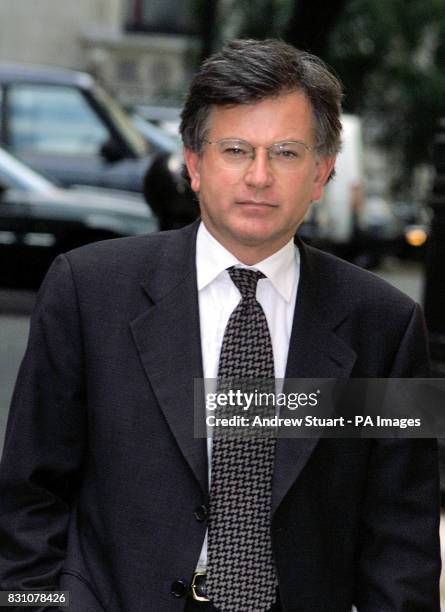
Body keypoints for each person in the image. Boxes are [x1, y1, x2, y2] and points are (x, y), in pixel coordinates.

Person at [0, 39, 440, 612]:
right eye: (235, 149)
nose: (259, 176)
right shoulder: (88, 291)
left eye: (286, 152)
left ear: (322, 172)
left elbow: (402, 539)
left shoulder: (387, 325)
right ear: (193, 164)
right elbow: (28, 496)